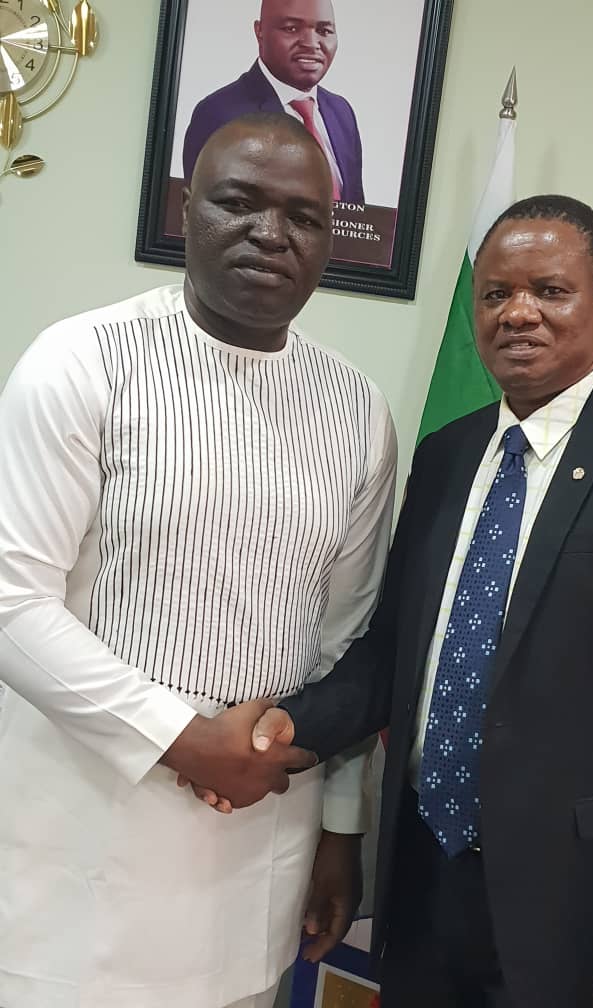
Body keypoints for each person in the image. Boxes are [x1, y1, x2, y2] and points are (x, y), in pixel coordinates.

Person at [243, 195, 593, 1007]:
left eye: (550, 290)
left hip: (580, 912)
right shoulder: (447, 454)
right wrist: (286, 728)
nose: (518, 313)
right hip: (424, 884)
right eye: (496, 294)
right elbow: (396, 655)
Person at [0, 113, 396, 1008]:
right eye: (238, 203)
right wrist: (181, 739)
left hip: (258, 849)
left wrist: (340, 831)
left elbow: (346, 639)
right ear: (185, 210)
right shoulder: (82, 361)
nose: (270, 233)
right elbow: (11, 601)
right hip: (79, 845)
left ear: (329, 241)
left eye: (302, 217)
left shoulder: (358, 409)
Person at [183, 0, 364, 202]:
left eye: (324, 31)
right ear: (259, 31)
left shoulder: (342, 113)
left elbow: (358, 212)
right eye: (292, 28)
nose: (311, 43)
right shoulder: (218, 114)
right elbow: (203, 213)